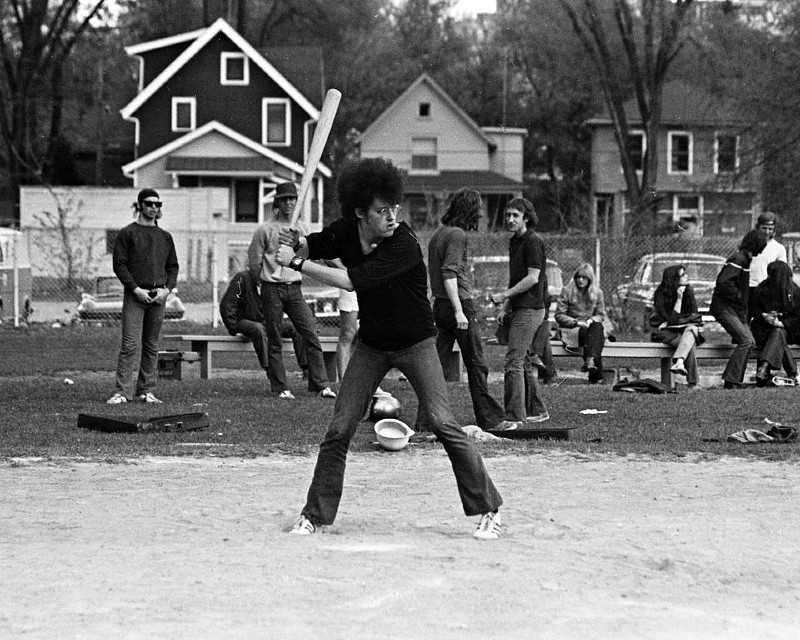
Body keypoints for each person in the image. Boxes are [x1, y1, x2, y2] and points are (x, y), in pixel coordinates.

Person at [275, 157, 503, 540]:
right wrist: (298, 241)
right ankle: (314, 514)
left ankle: (490, 509)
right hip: (373, 345)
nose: (392, 217)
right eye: (382, 211)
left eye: (394, 208)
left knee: (443, 422)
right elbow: (318, 243)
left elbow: (350, 281)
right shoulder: (349, 231)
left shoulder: (404, 245)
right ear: (361, 212)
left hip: (417, 343)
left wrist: (296, 262)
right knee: (340, 427)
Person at [247, 182, 335, 400]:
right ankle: (280, 387)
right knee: (274, 337)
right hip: (272, 288)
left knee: (310, 332)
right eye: (284, 199)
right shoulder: (265, 229)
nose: (288, 203)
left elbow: (313, 252)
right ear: (277, 202)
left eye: (292, 199)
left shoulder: (302, 229)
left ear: (297, 202)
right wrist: (264, 281)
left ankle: (320, 384)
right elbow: (254, 261)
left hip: (294, 288)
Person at [426, 187, 504, 431]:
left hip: (439, 305)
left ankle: (426, 420)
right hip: (458, 304)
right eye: (478, 209)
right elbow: (449, 272)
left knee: (436, 366)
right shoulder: (458, 235)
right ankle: (490, 420)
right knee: (477, 363)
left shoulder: (439, 233)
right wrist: (460, 311)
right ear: (471, 210)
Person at [106, 188, 179, 404]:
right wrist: (135, 289)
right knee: (130, 344)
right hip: (135, 296)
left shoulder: (165, 237)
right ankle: (122, 392)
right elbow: (119, 265)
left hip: (157, 297)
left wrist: (166, 290)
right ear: (139, 205)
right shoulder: (127, 233)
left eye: (158, 205)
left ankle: (147, 390)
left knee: (151, 345)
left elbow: (173, 267)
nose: (154, 208)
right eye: (149, 204)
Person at [490, 197, 549, 427]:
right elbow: (516, 277)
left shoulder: (533, 241)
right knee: (522, 361)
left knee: (513, 361)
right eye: (507, 215)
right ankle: (537, 409)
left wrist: (504, 295)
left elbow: (532, 278)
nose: (510, 219)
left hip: (531, 309)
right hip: (518, 307)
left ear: (526, 217)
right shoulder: (515, 241)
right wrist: (507, 306)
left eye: (515, 215)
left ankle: (514, 416)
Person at [218, 270, 305, 388]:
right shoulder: (242, 278)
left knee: (297, 328)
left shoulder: (274, 279)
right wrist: (234, 328)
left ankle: (307, 368)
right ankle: (270, 368)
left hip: (267, 321)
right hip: (244, 321)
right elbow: (228, 304)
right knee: (258, 329)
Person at [710, 229, 768, 389]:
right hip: (723, 308)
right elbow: (724, 282)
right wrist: (739, 296)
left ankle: (733, 379)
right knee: (747, 341)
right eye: (763, 244)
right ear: (756, 244)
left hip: (733, 309)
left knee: (749, 342)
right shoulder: (739, 258)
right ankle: (731, 381)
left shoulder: (745, 259)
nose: (764, 248)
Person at [649, 265, 704, 389]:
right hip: (668, 333)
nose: (686, 277)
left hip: (686, 330)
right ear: (674, 279)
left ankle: (679, 362)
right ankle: (693, 384)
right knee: (689, 343)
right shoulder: (661, 293)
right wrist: (679, 299)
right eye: (682, 275)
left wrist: (681, 321)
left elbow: (694, 317)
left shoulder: (689, 291)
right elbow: (673, 320)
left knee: (692, 330)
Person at [555, 263, 608, 384]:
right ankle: (595, 371)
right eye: (578, 277)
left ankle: (590, 361)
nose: (580, 280)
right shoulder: (567, 291)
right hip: (572, 330)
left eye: (584, 278)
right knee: (595, 335)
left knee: (596, 327)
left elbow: (601, 315)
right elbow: (559, 315)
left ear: (590, 279)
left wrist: (590, 320)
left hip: (590, 330)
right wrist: (576, 322)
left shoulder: (598, 293)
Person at [750, 261, 800, 386]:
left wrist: (782, 323)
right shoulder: (761, 289)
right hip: (763, 330)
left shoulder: (794, 292)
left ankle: (764, 367)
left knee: (778, 333)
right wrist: (765, 316)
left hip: (787, 330)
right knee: (777, 336)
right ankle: (793, 373)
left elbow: (798, 317)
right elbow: (753, 309)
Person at [748, 211, 787, 319]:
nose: (767, 232)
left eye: (770, 229)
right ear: (758, 227)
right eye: (764, 228)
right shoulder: (749, 244)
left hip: (765, 290)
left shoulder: (778, 248)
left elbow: (781, 272)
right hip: (748, 288)